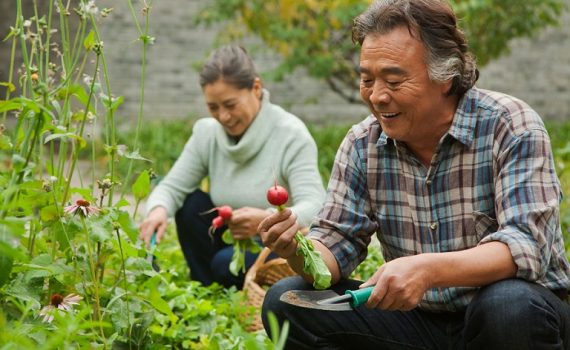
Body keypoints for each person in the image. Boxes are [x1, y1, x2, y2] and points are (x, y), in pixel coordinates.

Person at [258, 0, 570, 349]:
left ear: (445, 76)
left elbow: (526, 246)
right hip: (419, 322)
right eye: (366, 79)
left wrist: (426, 270)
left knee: (508, 306)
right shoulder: (363, 144)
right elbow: (335, 246)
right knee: (285, 300)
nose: (377, 96)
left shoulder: (510, 126)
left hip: (511, 316)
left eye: (394, 79)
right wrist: (296, 248)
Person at [139, 45, 325, 289]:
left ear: (256, 88)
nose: (223, 116)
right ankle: (208, 292)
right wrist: (158, 210)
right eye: (213, 107)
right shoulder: (207, 133)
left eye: (230, 104)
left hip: (274, 244)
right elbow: (172, 186)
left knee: (224, 263)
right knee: (189, 203)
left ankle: (226, 286)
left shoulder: (291, 135)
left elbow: (315, 205)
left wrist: (268, 220)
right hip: (229, 238)